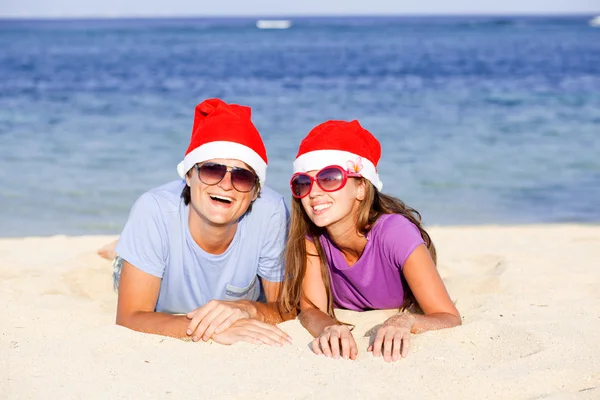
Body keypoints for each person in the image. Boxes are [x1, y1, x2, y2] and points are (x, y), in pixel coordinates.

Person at [114, 98, 291, 346]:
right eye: (211, 170)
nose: (226, 184)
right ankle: (126, 247)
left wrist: (247, 308)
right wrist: (212, 331)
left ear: (255, 191)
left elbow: (286, 308)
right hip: (153, 236)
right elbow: (129, 317)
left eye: (242, 177)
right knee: (126, 259)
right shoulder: (152, 209)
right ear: (188, 174)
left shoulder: (271, 212)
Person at [279, 120, 461, 362]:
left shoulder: (395, 232)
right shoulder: (312, 239)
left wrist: (405, 320)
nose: (314, 192)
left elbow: (448, 316)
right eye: (303, 182)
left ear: (361, 188)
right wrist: (329, 327)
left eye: (330, 178)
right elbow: (312, 309)